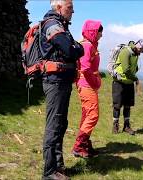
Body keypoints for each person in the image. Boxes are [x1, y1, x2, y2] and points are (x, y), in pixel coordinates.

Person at [40, 0, 84, 179]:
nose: (73, 11)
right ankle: (49, 171)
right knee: (54, 126)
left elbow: (75, 48)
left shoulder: (61, 26)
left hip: (61, 81)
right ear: (58, 7)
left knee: (60, 124)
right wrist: (76, 48)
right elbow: (71, 50)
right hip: (55, 82)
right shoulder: (53, 25)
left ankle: (58, 167)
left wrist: (76, 47)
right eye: (70, 8)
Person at [72, 20, 103, 158]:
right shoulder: (86, 46)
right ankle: (79, 145)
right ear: (93, 32)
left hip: (86, 83)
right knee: (93, 115)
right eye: (99, 33)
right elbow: (85, 68)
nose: (101, 36)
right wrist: (95, 82)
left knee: (87, 115)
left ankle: (85, 146)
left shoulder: (88, 45)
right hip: (87, 84)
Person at [111, 39, 143, 135]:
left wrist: (133, 79)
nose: (141, 52)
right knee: (117, 105)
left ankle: (126, 126)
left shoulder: (135, 54)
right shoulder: (125, 52)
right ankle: (115, 125)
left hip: (129, 83)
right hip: (119, 82)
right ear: (138, 45)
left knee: (127, 105)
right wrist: (136, 79)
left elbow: (133, 69)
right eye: (141, 49)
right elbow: (126, 70)